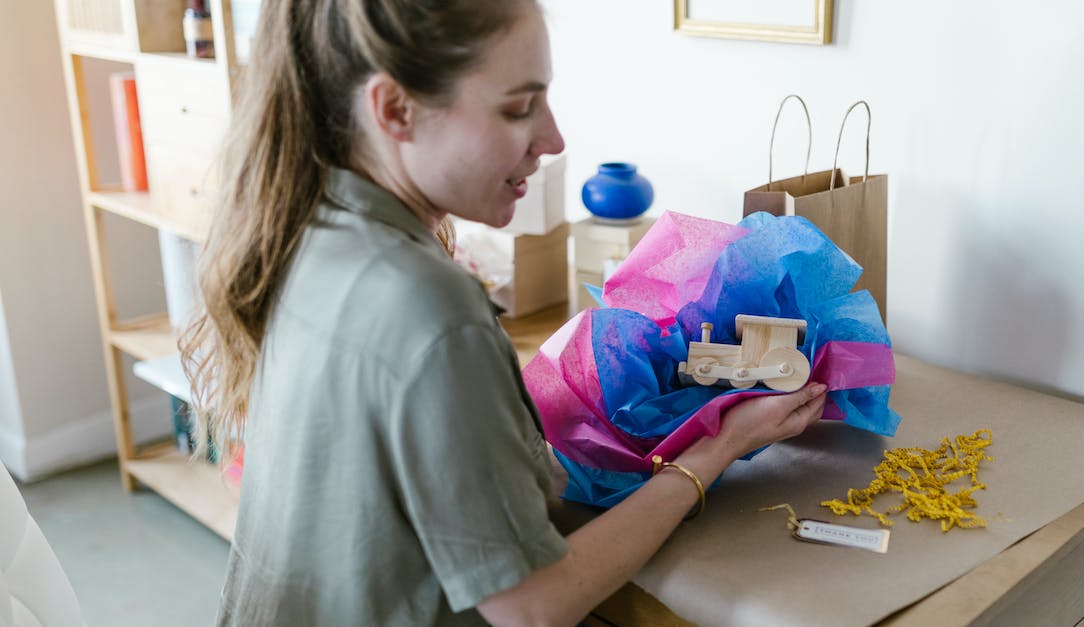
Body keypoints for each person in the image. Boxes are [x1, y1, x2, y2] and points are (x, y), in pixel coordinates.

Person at [181, 1, 829, 625]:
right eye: (519, 108)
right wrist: (723, 446)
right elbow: (534, 606)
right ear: (394, 109)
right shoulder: (431, 307)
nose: (552, 138)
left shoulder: (307, 224)